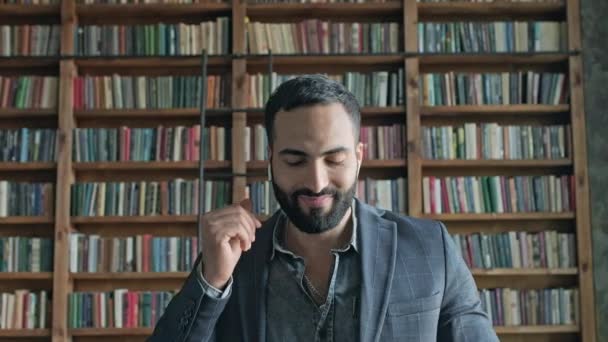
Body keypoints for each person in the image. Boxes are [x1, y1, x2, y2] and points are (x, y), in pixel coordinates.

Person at [148, 75, 498, 342]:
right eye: (295, 160)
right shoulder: (233, 259)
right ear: (271, 160)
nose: (316, 182)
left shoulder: (428, 246)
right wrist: (212, 281)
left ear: (359, 158)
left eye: (335, 159)